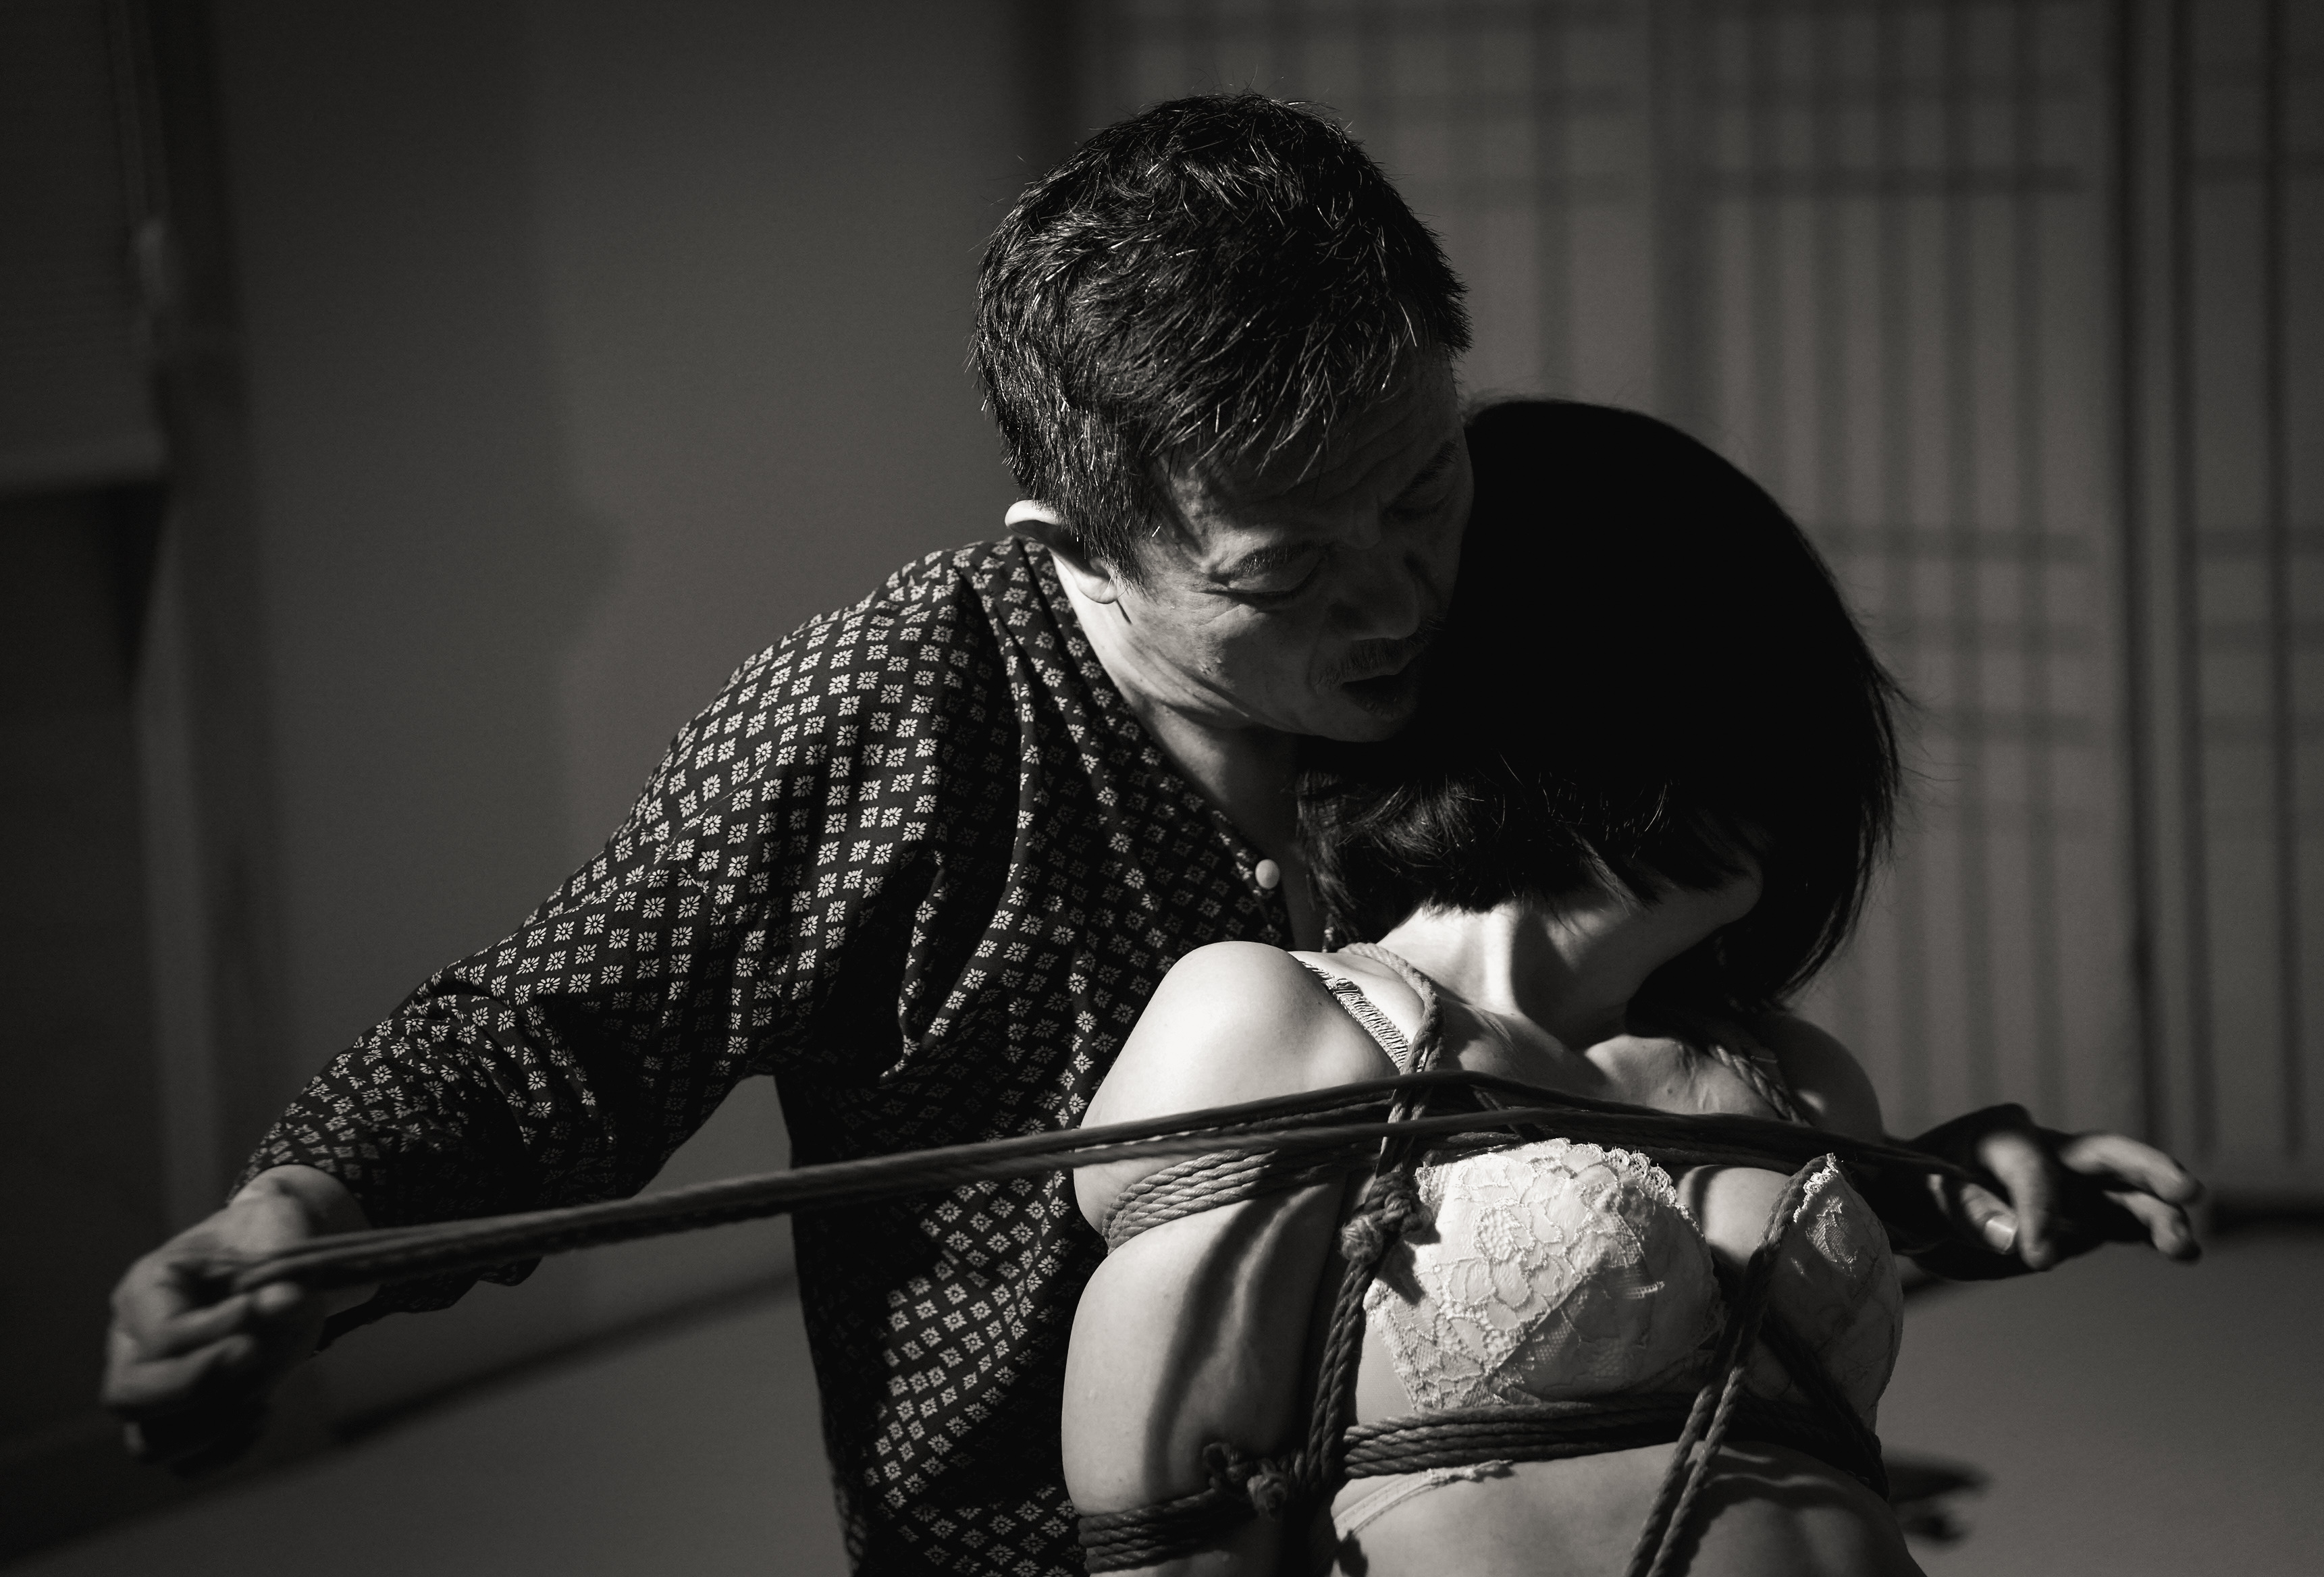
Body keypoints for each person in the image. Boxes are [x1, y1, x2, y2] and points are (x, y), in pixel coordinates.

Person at [101, 98, 2173, 1577]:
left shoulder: (1486, 621)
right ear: (1079, 543)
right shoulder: (904, 706)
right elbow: (579, 1019)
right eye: (1292, 569)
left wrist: (1912, 1185)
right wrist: (314, 1209)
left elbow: (1595, 1135)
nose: (1398, 599)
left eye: (1424, 491)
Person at [1062, 400, 2202, 1576]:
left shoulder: (1795, 1077)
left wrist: (1940, 1184)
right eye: (1736, 677)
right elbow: (1171, 1542)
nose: (1794, 744)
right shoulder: (1272, 1025)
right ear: (1572, 679)